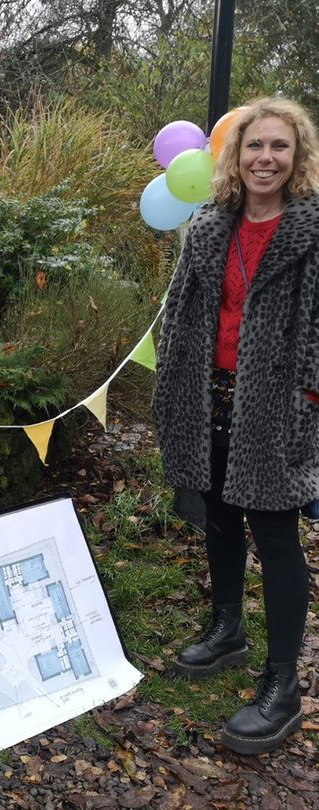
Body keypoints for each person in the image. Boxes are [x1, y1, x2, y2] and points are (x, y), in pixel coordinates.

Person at [152, 96, 319, 755]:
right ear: (235, 156)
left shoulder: (311, 232)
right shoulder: (209, 227)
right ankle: (228, 627)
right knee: (219, 515)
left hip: (279, 406)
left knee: (276, 535)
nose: (265, 158)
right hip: (207, 393)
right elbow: (184, 310)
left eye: (280, 146)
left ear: (297, 156)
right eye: (255, 146)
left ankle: (283, 684)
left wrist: (307, 395)